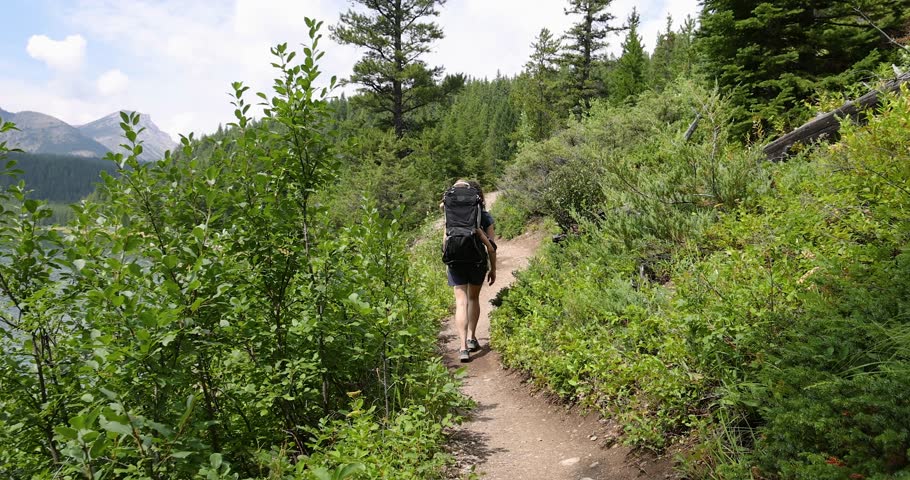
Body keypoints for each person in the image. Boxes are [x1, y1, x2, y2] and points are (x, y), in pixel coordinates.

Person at [443, 180, 496, 362]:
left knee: (461, 302)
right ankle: (471, 338)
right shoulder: (485, 217)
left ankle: (463, 348)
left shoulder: (449, 217)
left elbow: (445, 241)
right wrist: (493, 268)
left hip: (455, 260)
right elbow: (491, 247)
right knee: (473, 298)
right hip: (477, 260)